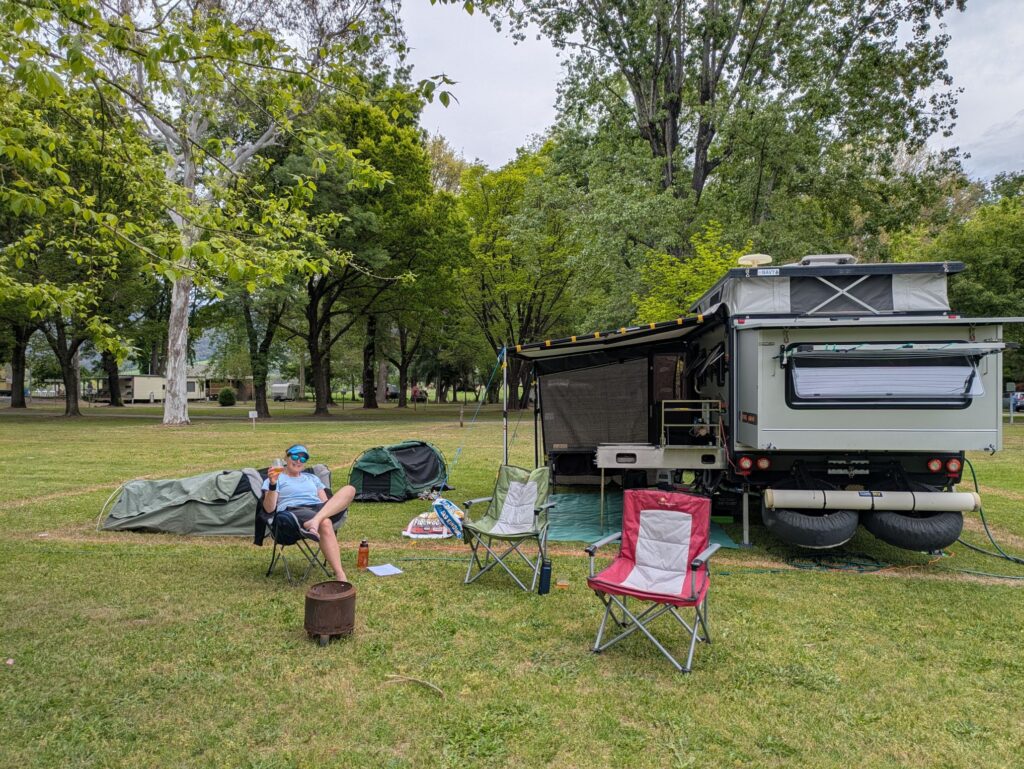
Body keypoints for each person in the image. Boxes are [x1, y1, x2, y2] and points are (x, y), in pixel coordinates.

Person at [263, 443, 355, 582]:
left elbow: (325, 502)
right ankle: (340, 575)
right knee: (325, 522)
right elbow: (269, 509)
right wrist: (272, 484)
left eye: (303, 458)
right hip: (293, 513)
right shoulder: (276, 478)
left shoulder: (312, 478)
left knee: (350, 489)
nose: (299, 460)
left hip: (317, 510)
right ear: (286, 458)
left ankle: (315, 522)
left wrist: (320, 515)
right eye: (295, 456)